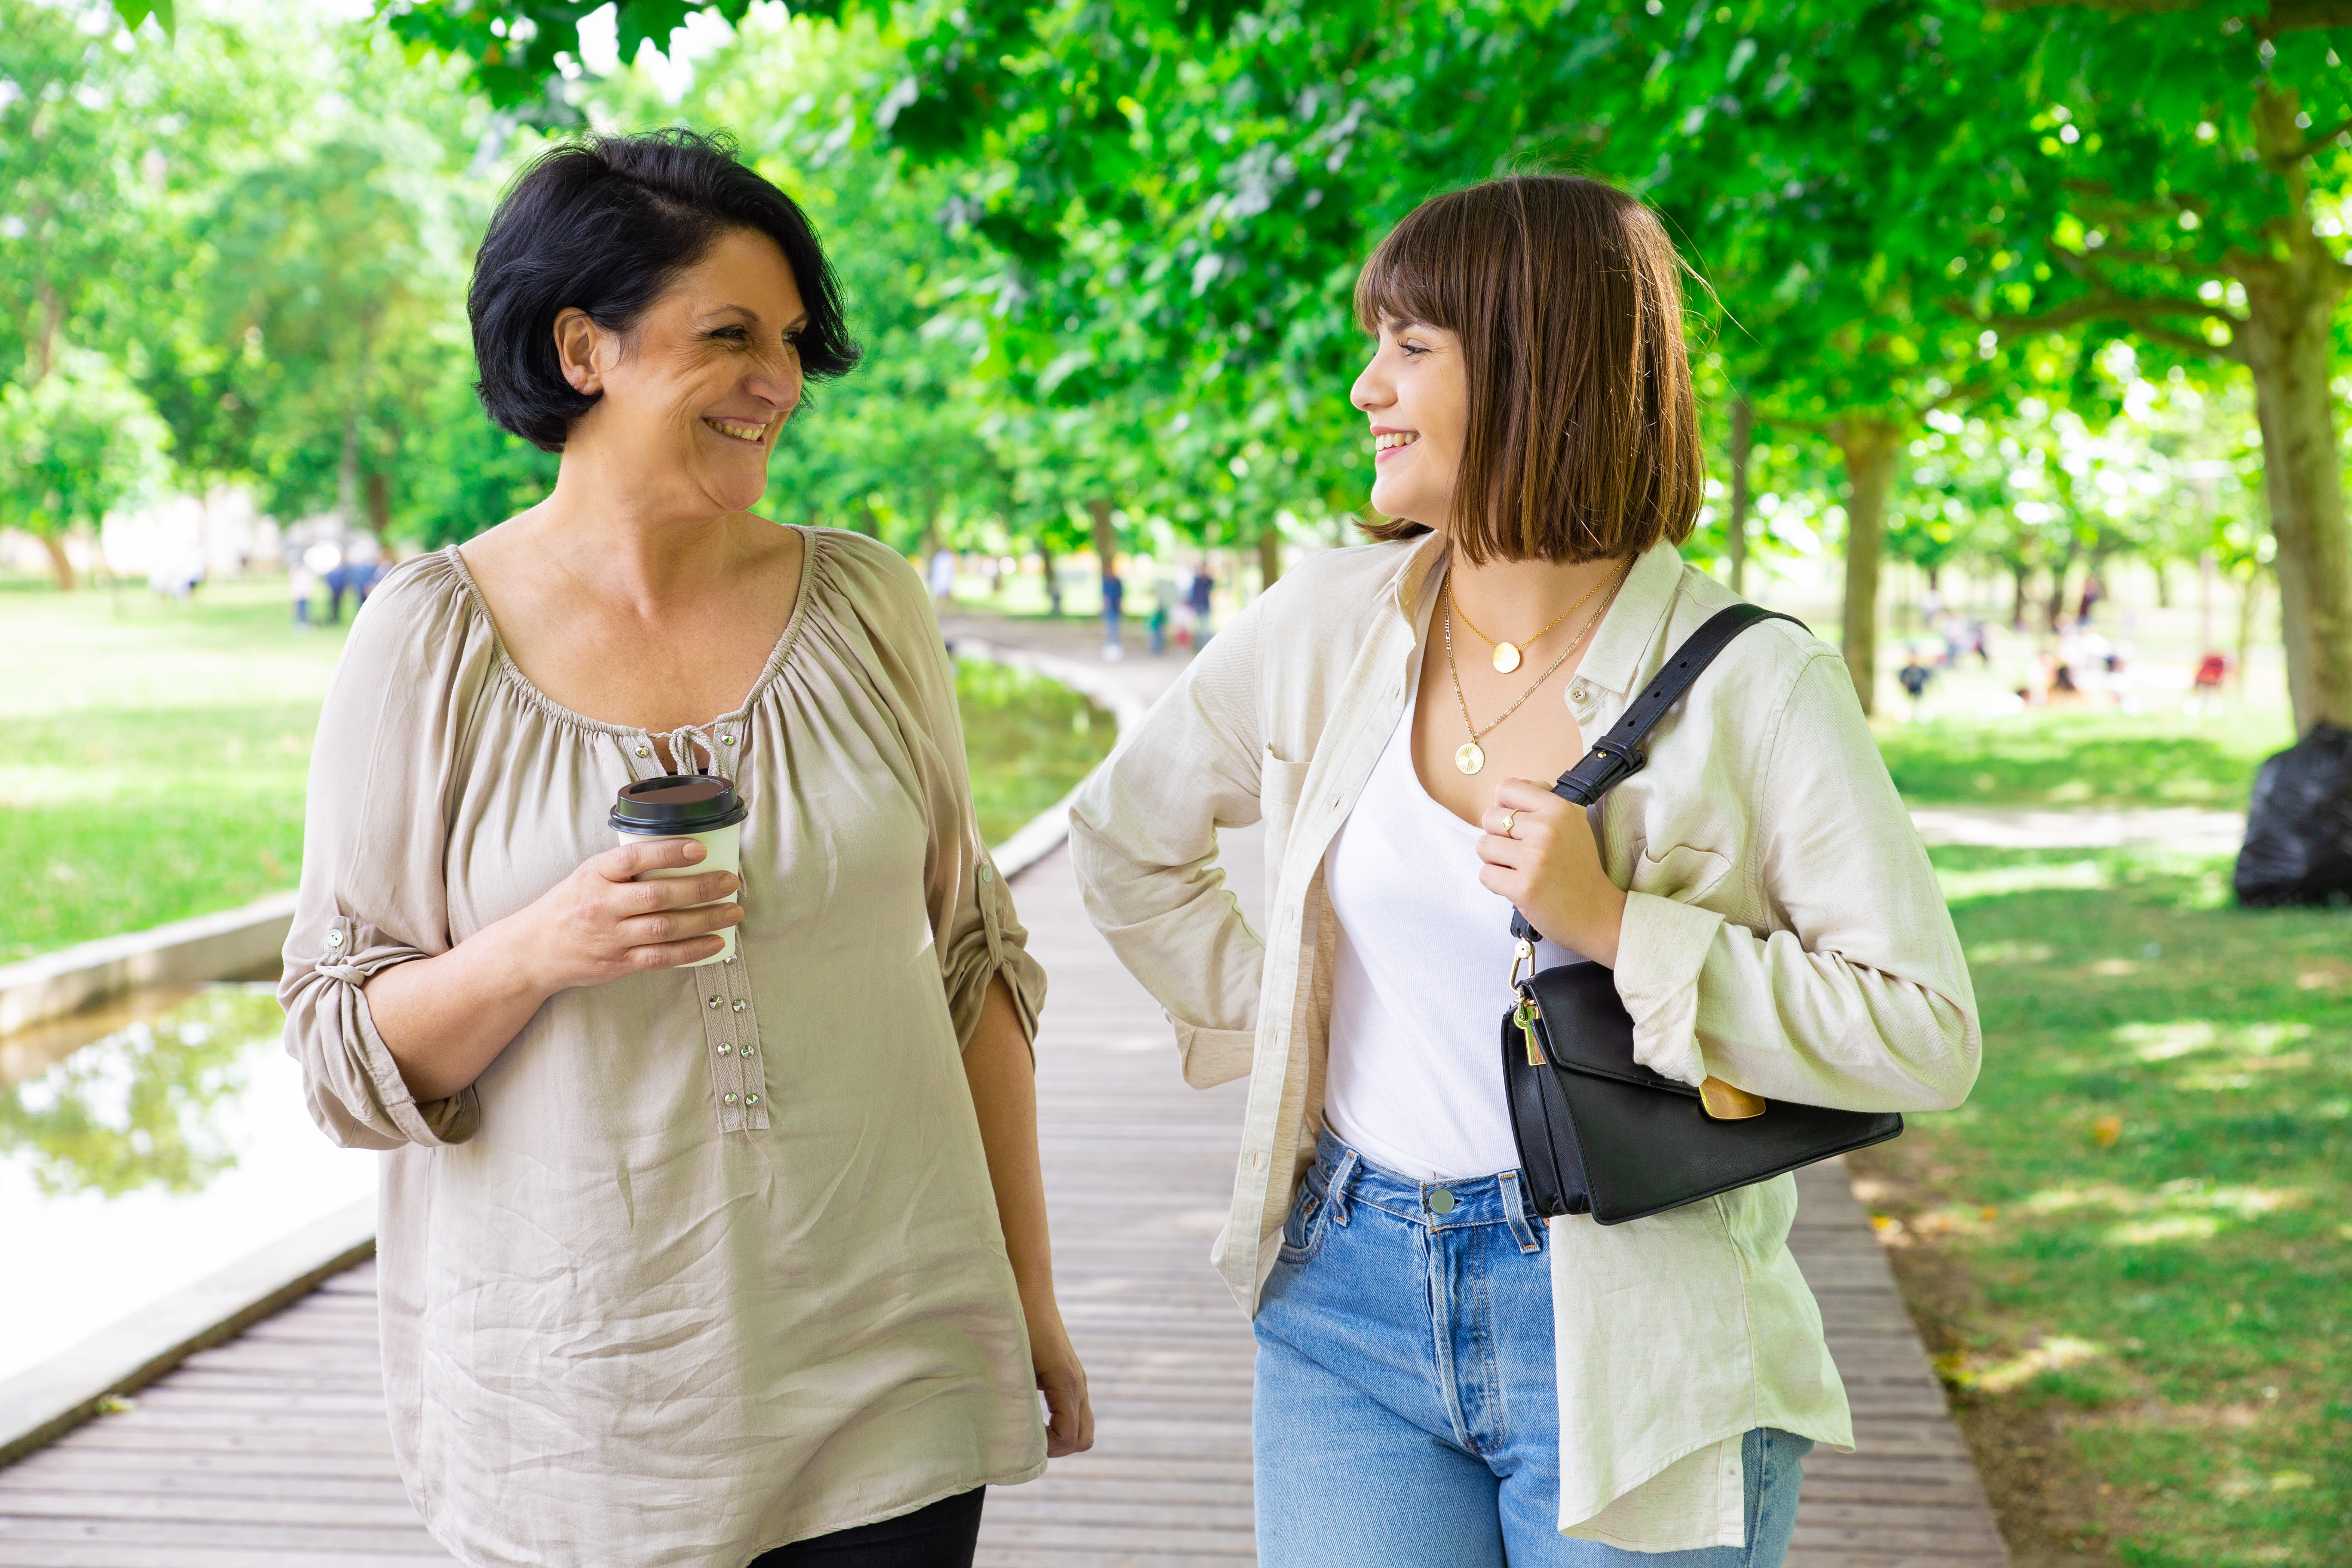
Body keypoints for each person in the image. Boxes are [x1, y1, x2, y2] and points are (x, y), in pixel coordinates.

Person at [1071, 175, 1978, 1567]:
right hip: (1343, 1292)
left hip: (1639, 1326)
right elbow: (1128, 839)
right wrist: (1284, 1030)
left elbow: (1926, 1030)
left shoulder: (1758, 680)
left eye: (1409, 347)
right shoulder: (1323, 620)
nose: (1367, 386)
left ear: (1537, 364)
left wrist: (1616, 923)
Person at [279, 131, 1091, 1568]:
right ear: (581, 346)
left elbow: (974, 967)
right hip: (582, 1411)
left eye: (789, 338)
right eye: (730, 335)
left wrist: (1028, 1295)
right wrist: (541, 946)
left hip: (892, 1372)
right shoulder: (426, 640)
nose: (779, 379)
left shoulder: (868, 603)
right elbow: (344, 1048)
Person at [1099, 558, 1125, 661]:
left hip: (1115, 608)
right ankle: (1110, 647)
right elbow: (1105, 597)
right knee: (1109, 629)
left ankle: (1115, 647)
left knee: (1115, 628)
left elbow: (1120, 596)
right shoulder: (1106, 582)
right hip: (1109, 609)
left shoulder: (1117, 582)